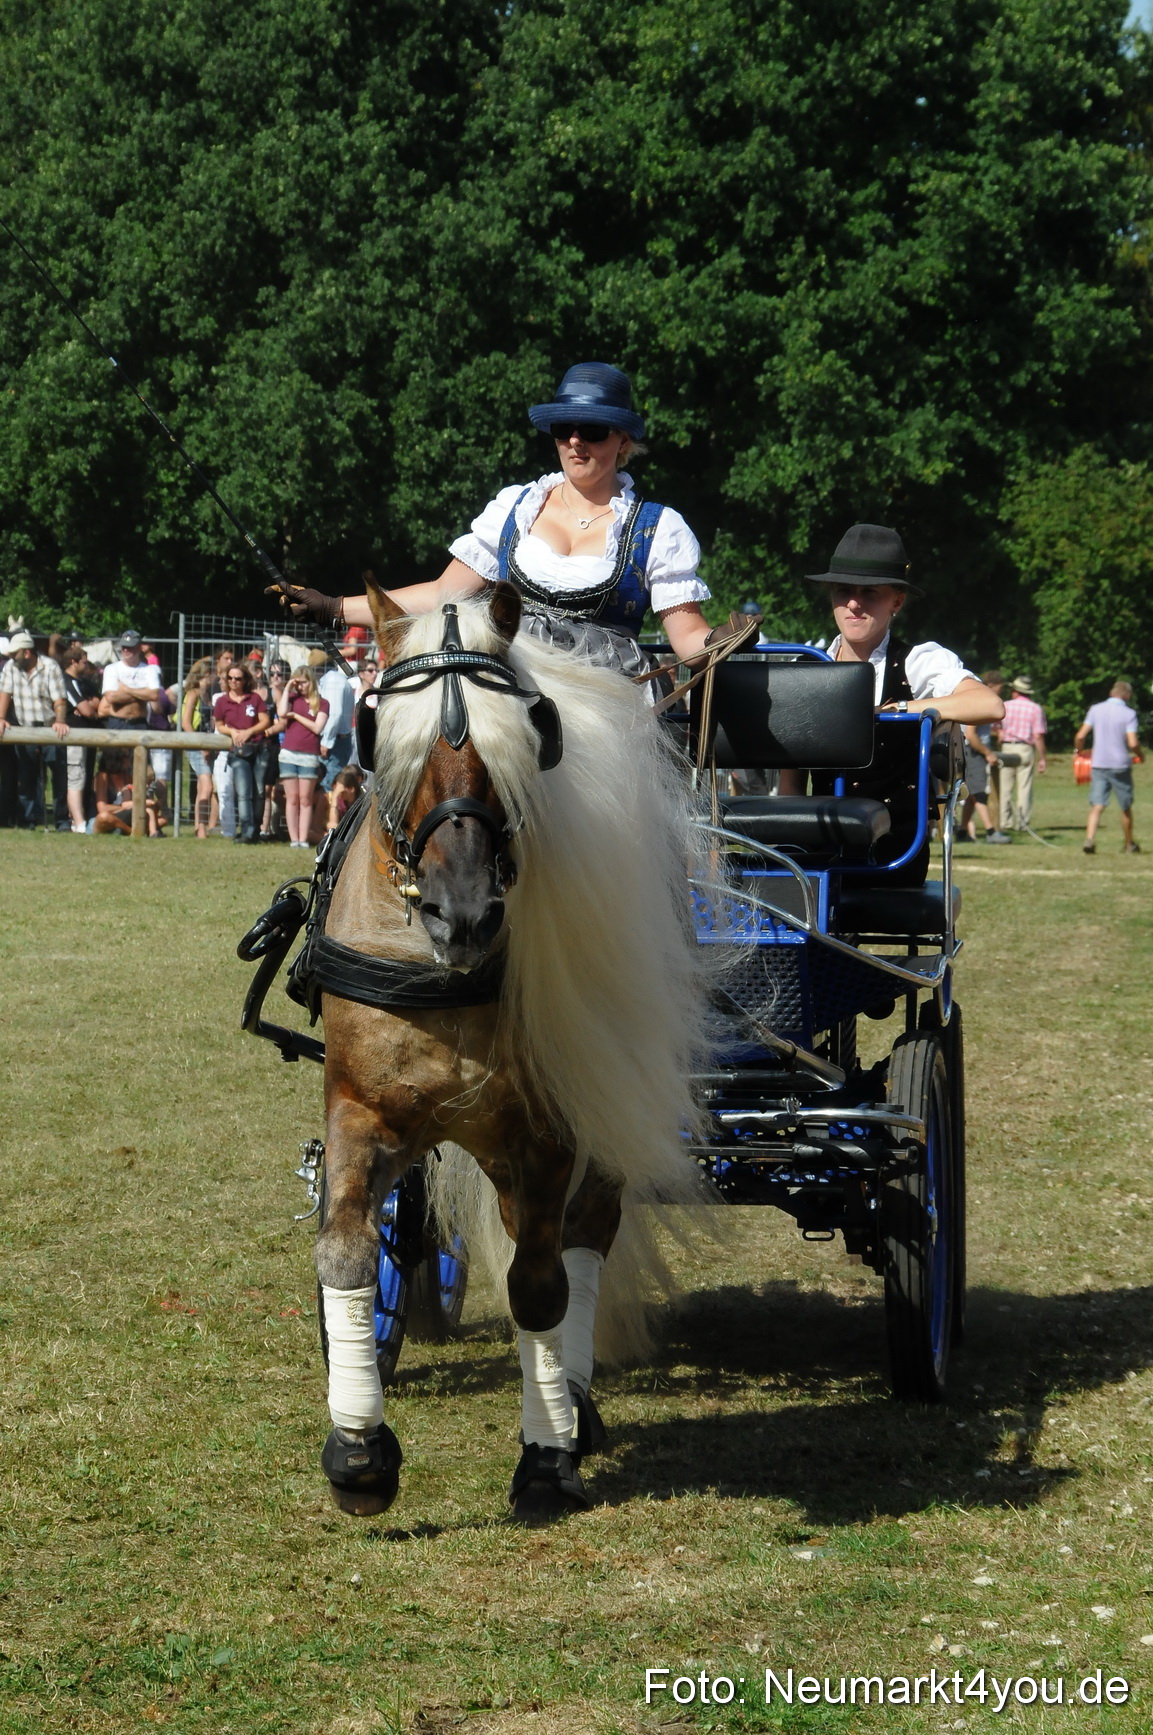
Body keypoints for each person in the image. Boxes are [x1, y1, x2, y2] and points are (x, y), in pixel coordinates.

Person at [265, 362, 751, 678]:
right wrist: (331, 605)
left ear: (623, 441)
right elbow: (442, 594)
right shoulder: (516, 508)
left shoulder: (656, 530)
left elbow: (687, 638)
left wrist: (720, 640)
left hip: (607, 698)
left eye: (594, 430)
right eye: (564, 429)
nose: (576, 441)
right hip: (513, 680)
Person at [780, 523, 1004, 882]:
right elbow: (789, 784)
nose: (854, 603)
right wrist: (789, 849)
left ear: (896, 601)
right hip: (817, 845)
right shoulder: (805, 667)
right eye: (843, 591)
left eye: (869, 592)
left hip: (894, 849)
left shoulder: (918, 661)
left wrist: (898, 710)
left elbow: (989, 705)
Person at [0, 629, 70, 827]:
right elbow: (4, 693)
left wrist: (60, 721)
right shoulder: (11, 668)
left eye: (15, 654)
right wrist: (1, 718)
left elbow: (60, 700)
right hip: (25, 729)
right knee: (27, 780)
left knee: (59, 779)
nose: (11, 657)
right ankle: (27, 822)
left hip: (51, 728)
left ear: (27, 652)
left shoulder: (50, 666)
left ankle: (62, 821)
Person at [1075, 680, 1142, 854]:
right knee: (1125, 806)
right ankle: (1129, 844)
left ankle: (1089, 839)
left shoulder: (1095, 709)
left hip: (1099, 763)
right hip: (1120, 764)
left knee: (1097, 804)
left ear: (1112, 693)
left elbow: (1081, 735)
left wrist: (1079, 751)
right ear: (1127, 695)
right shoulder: (1129, 713)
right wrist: (1141, 755)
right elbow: (1133, 742)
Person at [211, 664, 270, 844]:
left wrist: (248, 732)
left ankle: (256, 830)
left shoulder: (254, 699)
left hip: (259, 749)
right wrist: (233, 732)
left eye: (238, 678)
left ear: (245, 680)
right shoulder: (222, 701)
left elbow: (265, 721)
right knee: (243, 792)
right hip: (238, 752)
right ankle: (246, 831)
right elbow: (219, 724)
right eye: (230, 678)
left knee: (259, 791)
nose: (234, 682)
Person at [275, 664, 329, 847]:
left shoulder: (322, 703)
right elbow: (281, 712)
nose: (301, 687)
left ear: (311, 682)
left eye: (303, 683)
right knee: (292, 798)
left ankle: (303, 838)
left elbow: (317, 727)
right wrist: (288, 687)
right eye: (298, 683)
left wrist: (296, 716)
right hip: (288, 753)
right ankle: (294, 839)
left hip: (309, 755)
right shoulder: (292, 698)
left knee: (305, 799)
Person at [997, 675, 1047, 834]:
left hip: (1007, 747)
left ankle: (1005, 821)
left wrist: (1000, 733)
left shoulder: (1005, 705)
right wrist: (1042, 757)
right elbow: (1038, 735)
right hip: (1025, 748)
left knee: (1005, 788)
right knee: (1024, 788)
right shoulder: (1035, 708)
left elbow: (995, 726)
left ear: (1015, 691)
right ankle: (1022, 823)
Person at [61, 646, 101, 831]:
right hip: (74, 737)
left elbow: (97, 705)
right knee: (75, 777)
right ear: (73, 662)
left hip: (87, 736)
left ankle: (80, 817)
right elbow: (87, 710)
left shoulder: (84, 682)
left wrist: (90, 706)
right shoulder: (66, 681)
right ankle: (78, 821)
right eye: (83, 662)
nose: (86, 666)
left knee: (84, 776)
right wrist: (88, 707)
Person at [310, 648, 355, 795]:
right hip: (336, 740)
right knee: (330, 784)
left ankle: (329, 817)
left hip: (334, 742)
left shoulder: (332, 682)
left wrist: (326, 741)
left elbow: (334, 714)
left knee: (329, 786)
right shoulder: (332, 680)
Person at [181, 658, 217, 837]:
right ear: (206, 674)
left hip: (207, 745)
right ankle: (201, 826)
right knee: (207, 785)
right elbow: (186, 722)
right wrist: (200, 744)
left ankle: (199, 825)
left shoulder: (207, 695)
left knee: (203, 785)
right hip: (195, 744)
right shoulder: (193, 694)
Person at [98, 630, 162, 729]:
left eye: (130, 647)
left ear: (139, 648)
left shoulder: (150, 670)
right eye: (124, 647)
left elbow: (154, 695)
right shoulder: (111, 669)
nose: (126, 650)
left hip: (140, 723)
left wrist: (126, 689)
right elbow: (111, 697)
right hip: (117, 722)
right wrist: (143, 693)